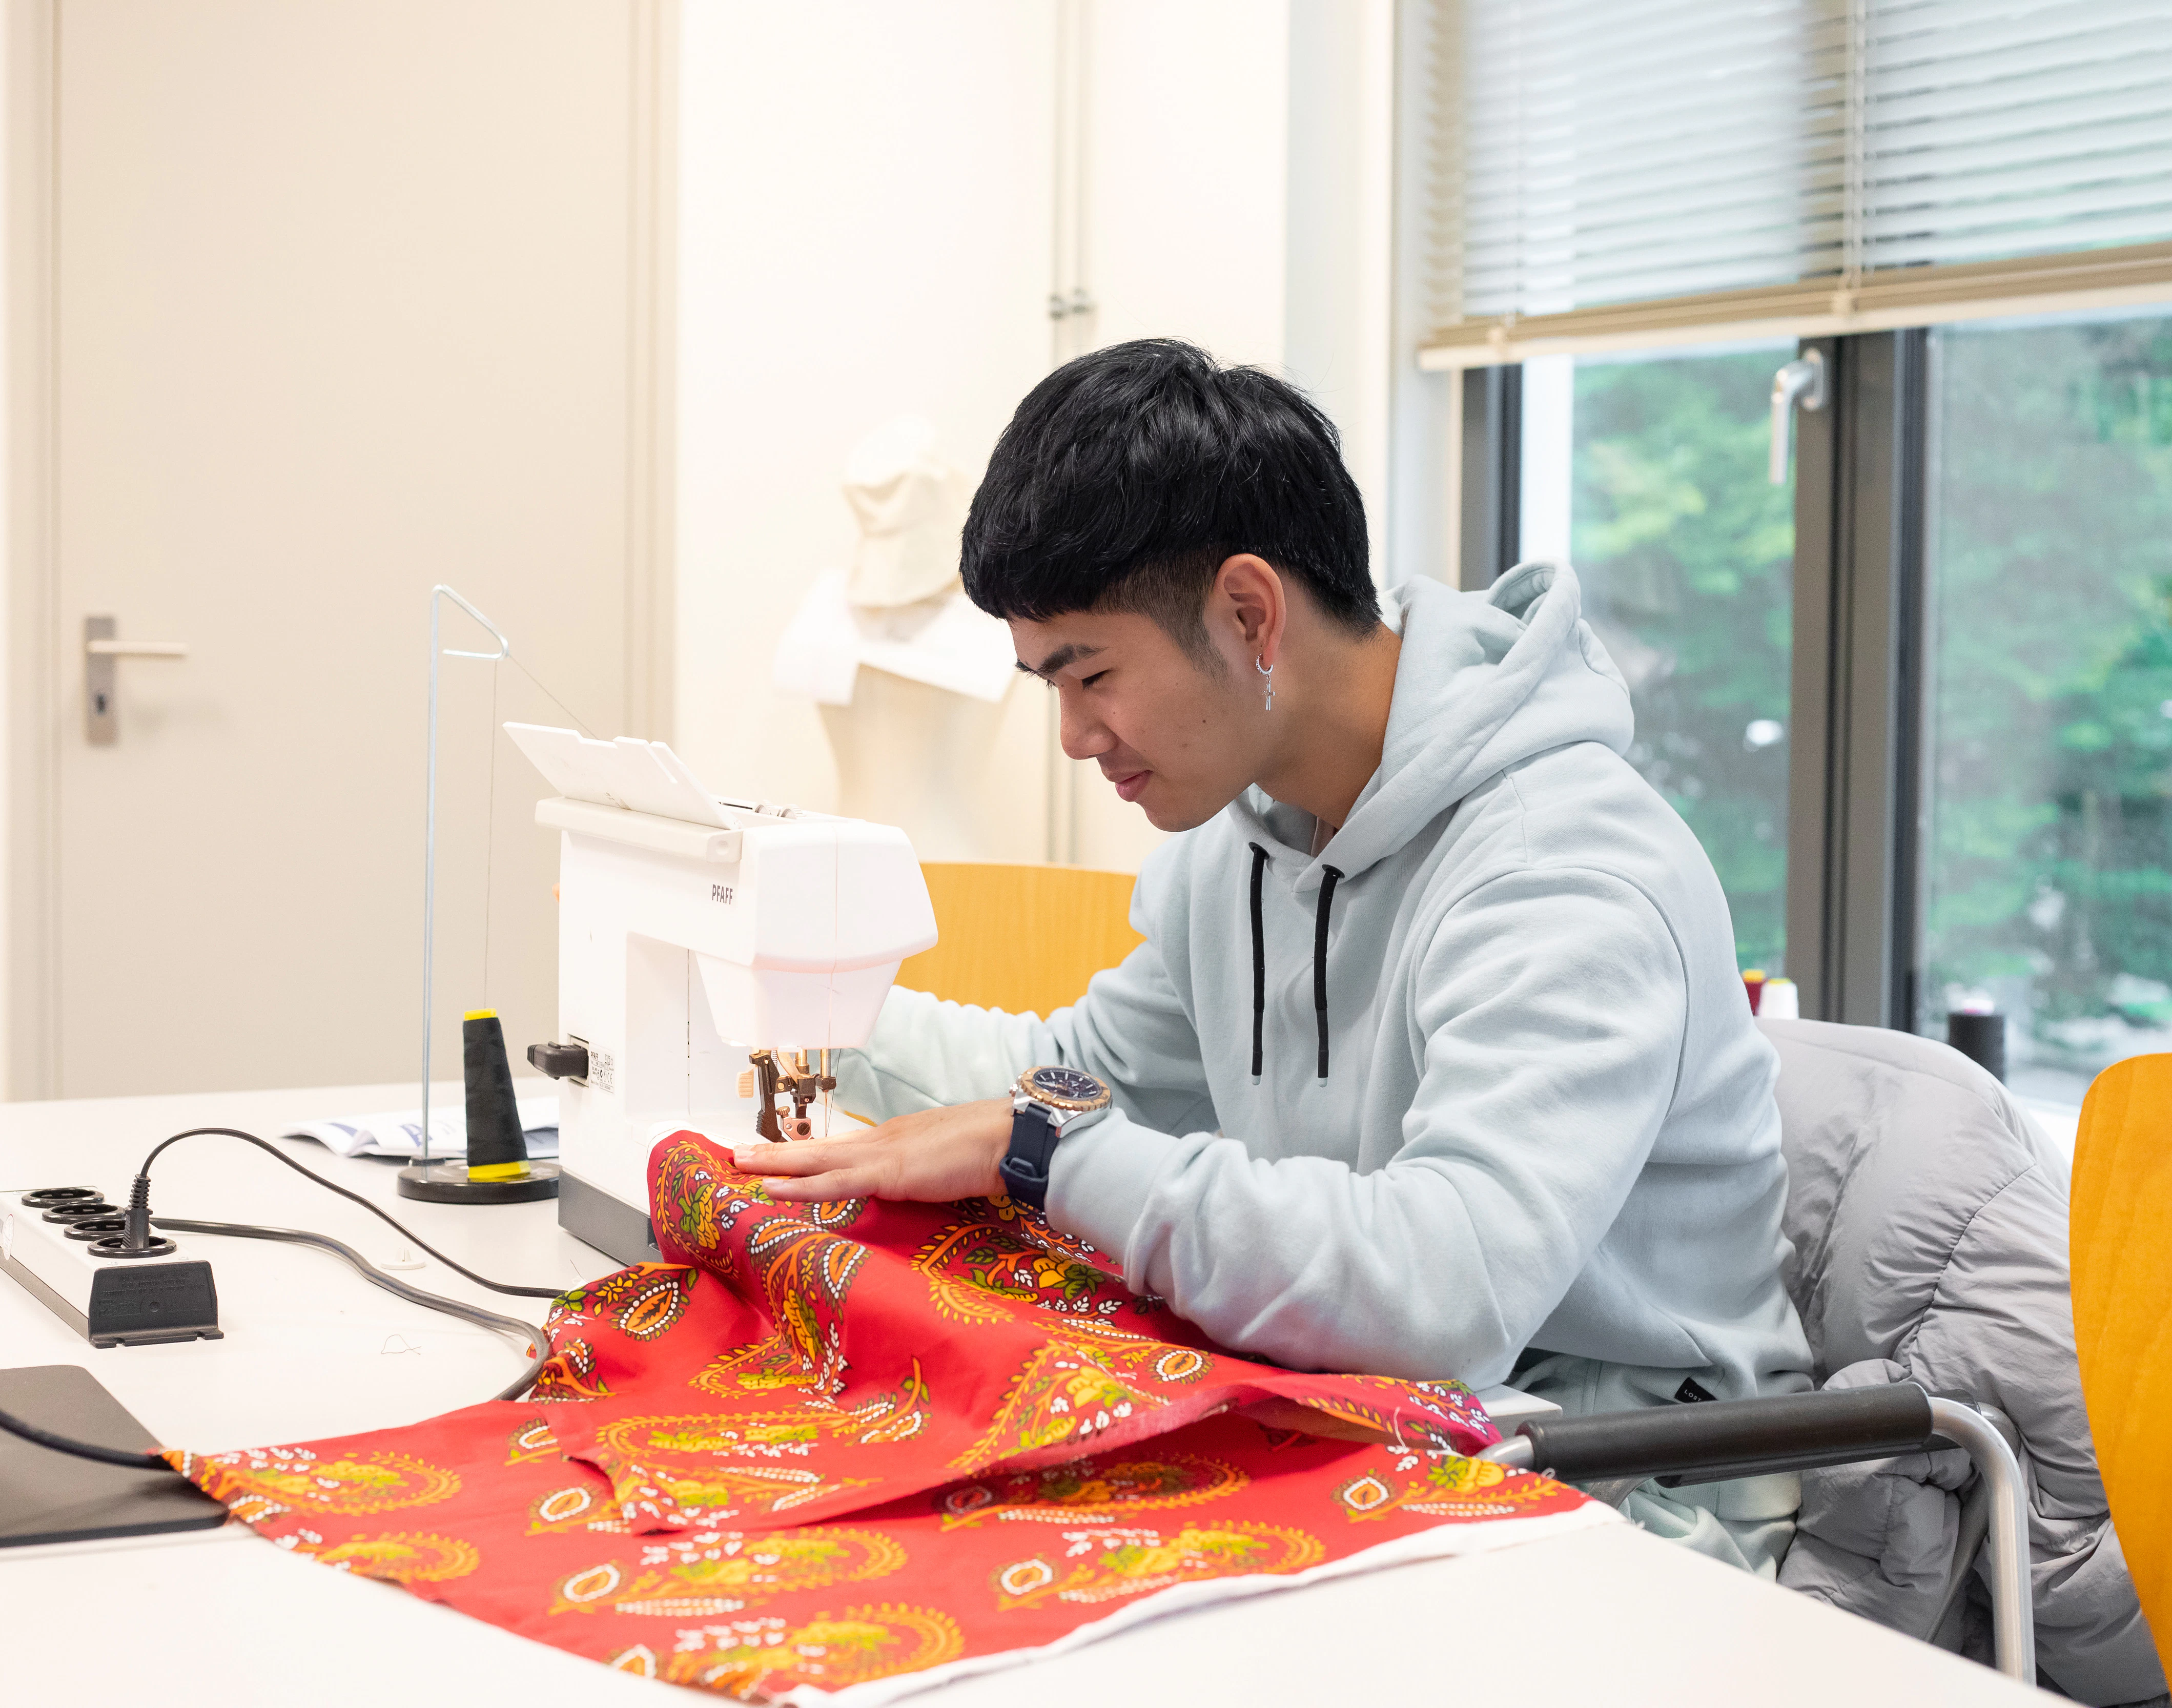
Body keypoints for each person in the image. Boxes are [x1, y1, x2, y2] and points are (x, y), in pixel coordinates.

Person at [737, 338, 1814, 1573]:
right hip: (1411, 1424)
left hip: (1633, 1491)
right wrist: (802, 1004)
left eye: (1089, 674)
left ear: (1249, 615)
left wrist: (1041, 1145)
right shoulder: (1242, 837)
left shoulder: (1558, 869)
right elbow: (1077, 1078)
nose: (1076, 736)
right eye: (1049, 685)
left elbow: (1441, 1291)